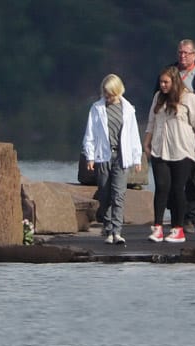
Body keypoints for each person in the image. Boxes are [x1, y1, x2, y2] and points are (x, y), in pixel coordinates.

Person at [145, 66, 195, 243]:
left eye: (166, 82)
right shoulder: (158, 97)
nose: (163, 85)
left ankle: (177, 228)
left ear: (174, 82)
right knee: (162, 187)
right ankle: (157, 227)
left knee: (178, 189)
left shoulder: (188, 98)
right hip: (160, 149)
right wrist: (146, 143)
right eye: (161, 82)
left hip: (182, 150)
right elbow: (151, 121)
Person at [154, 39, 195, 233]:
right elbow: (158, 100)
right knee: (169, 183)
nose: (182, 56)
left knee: (193, 180)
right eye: (180, 53)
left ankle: (189, 218)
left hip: (193, 131)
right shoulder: (168, 73)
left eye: (186, 53)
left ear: (194, 54)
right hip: (170, 134)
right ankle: (174, 215)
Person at [82, 74, 143, 244]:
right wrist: (90, 156)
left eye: (111, 94)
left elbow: (133, 134)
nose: (108, 98)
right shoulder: (97, 108)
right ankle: (107, 229)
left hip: (121, 156)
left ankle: (117, 230)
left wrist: (137, 158)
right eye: (106, 94)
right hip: (103, 155)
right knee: (105, 193)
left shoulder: (128, 109)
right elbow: (90, 133)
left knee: (119, 194)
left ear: (118, 92)